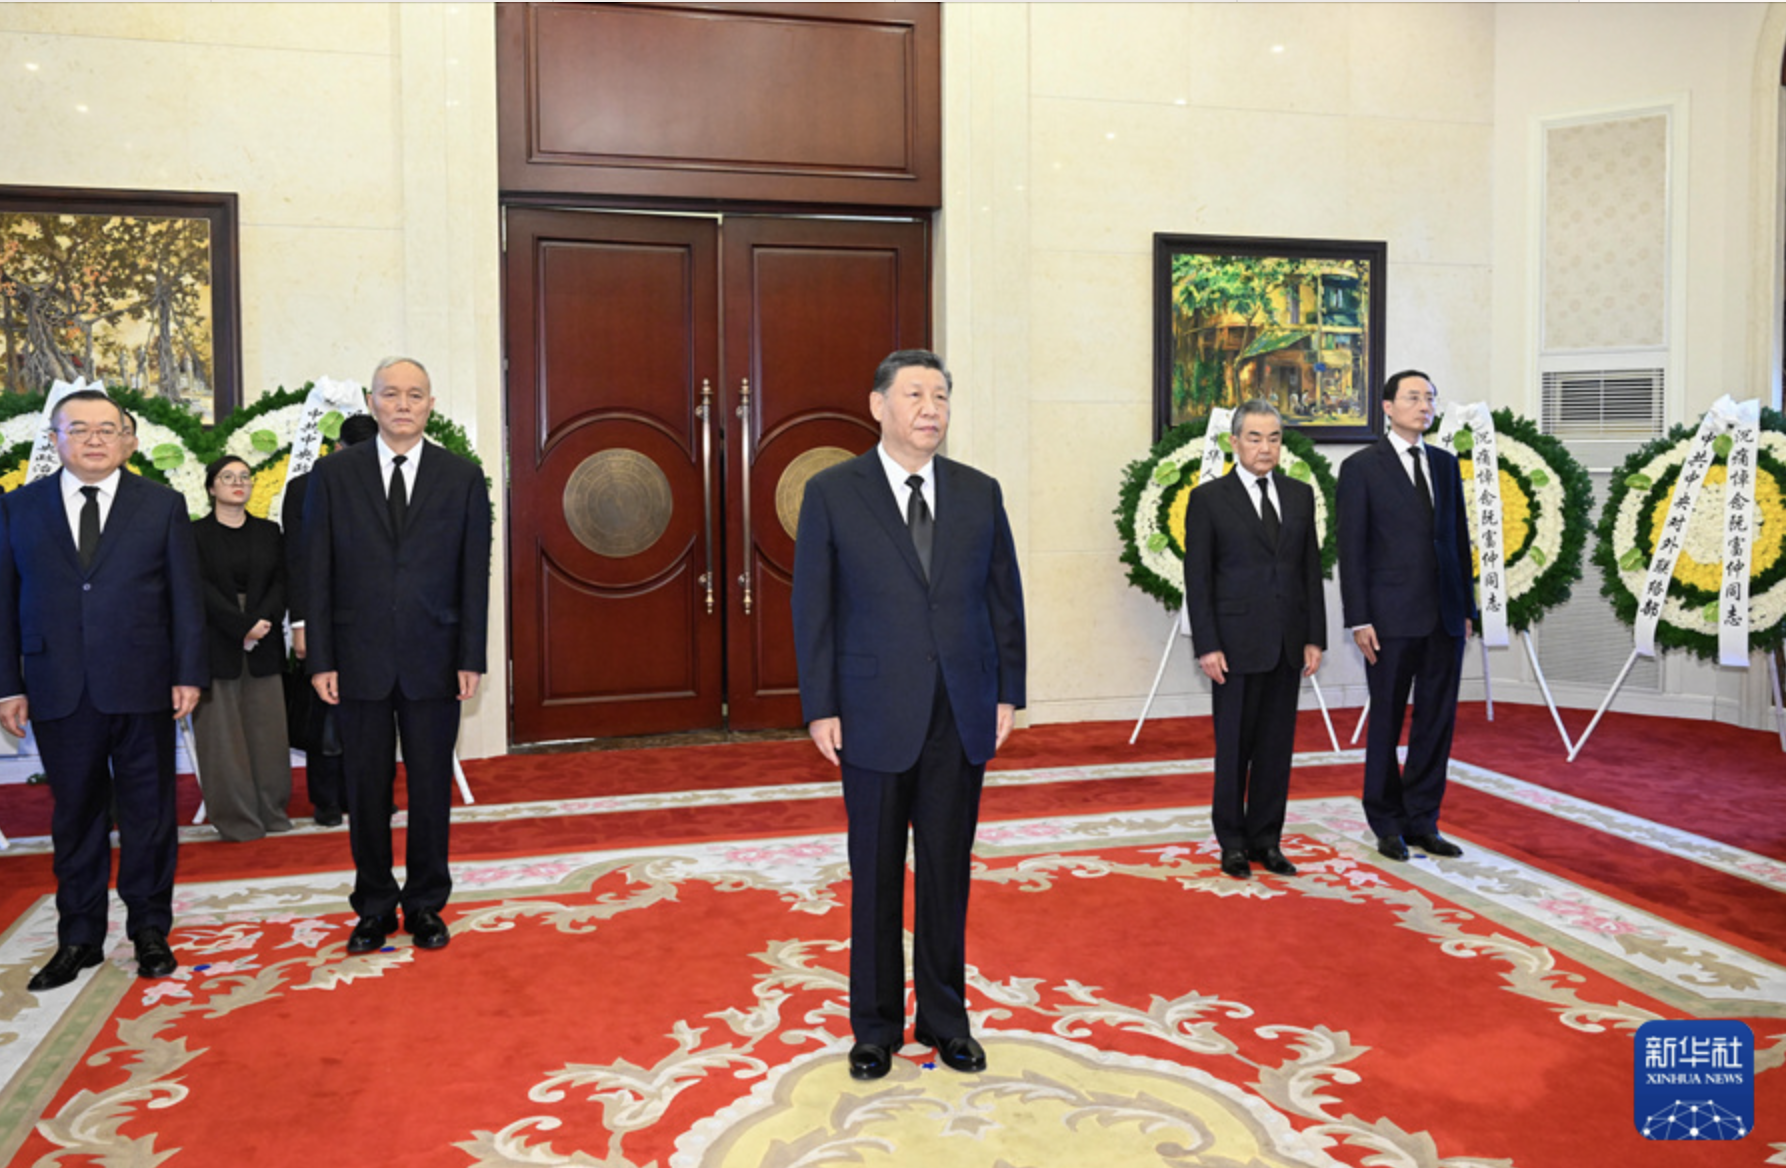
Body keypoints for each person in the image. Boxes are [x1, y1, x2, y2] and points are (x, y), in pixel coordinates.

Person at [791, 349, 1026, 1082]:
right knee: (877, 872)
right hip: (870, 710)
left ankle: (945, 1018)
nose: (932, 408)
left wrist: (1007, 692)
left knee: (947, 872)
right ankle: (874, 1028)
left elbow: (1003, 601)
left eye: (943, 396)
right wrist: (820, 705)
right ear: (879, 405)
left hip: (960, 707)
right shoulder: (833, 492)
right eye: (917, 394)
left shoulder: (979, 493)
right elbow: (814, 610)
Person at [0, 389, 206, 991]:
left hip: (143, 684)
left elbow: (184, 598)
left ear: (128, 440)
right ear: (55, 440)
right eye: (79, 429)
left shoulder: (161, 505)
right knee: (77, 818)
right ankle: (79, 939)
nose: (94, 439)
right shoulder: (19, 507)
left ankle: (149, 930)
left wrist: (187, 672)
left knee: (149, 816)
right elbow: (5, 603)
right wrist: (7, 685)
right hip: (58, 687)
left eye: (107, 429)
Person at [305, 357, 490, 954]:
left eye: (415, 395)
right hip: (356, 657)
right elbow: (318, 572)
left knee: (432, 787)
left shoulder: (460, 476)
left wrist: (471, 656)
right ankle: (375, 906)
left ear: (430, 404)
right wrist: (321, 659)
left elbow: (472, 576)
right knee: (365, 789)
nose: (403, 404)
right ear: (371, 401)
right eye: (391, 394)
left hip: (436, 657)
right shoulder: (334, 476)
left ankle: (427, 905)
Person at [1182, 400, 1326, 879]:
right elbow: (1198, 579)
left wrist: (1314, 638)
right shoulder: (1209, 499)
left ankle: (1268, 839)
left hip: (1287, 644)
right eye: (1255, 438)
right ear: (1234, 442)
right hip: (1234, 644)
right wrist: (1207, 644)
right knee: (1234, 747)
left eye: (1274, 438)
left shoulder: (1300, 495)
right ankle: (1233, 843)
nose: (1265, 449)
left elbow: (1309, 572)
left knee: (1275, 748)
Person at [1337, 370, 1475, 862]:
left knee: (1436, 724)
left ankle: (1423, 821)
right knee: (1387, 723)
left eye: (1430, 398)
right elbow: (1350, 549)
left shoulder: (1443, 463)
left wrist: (1467, 608)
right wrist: (1359, 618)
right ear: (1387, 406)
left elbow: (1457, 542)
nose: (1424, 406)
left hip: (1444, 617)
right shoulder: (1361, 468)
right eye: (1413, 397)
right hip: (1389, 620)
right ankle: (1387, 823)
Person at [282, 412, 379, 826]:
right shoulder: (305, 487)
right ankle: (326, 800)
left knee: (375, 711)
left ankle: (371, 795)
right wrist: (301, 623)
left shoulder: (388, 482)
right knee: (325, 710)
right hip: (326, 618)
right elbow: (298, 561)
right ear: (336, 448)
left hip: (377, 622)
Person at [191, 454, 291, 842]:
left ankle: (272, 812)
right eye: (228, 476)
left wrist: (261, 622)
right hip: (217, 637)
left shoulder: (269, 532)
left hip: (263, 635)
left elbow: (282, 581)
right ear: (212, 486)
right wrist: (240, 626)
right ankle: (237, 820)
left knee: (267, 731)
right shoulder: (194, 533)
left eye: (244, 477)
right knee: (222, 737)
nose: (238, 482)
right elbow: (197, 588)